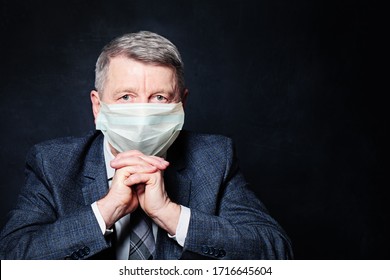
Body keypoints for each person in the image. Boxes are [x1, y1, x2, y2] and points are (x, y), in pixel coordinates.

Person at [0, 31, 292, 260]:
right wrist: (105, 211)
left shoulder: (215, 159)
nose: (142, 113)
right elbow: (11, 258)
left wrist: (170, 214)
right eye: (126, 97)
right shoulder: (53, 163)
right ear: (97, 107)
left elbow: (276, 253)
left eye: (159, 98)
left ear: (182, 104)